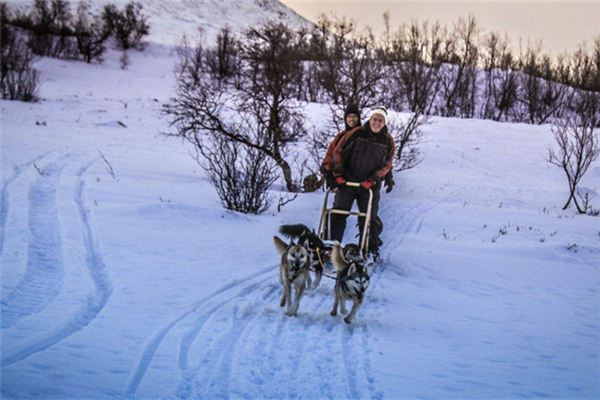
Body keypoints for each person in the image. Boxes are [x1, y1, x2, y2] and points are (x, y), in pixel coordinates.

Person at [329, 106, 395, 259]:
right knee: (339, 212)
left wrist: (372, 179)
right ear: (369, 119)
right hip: (347, 181)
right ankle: (332, 247)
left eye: (380, 120)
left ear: (384, 123)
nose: (377, 123)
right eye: (374, 119)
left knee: (369, 217)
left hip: (369, 185)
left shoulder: (387, 141)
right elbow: (338, 153)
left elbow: (387, 164)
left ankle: (368, 249)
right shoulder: (356, 133)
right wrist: (338, 174)